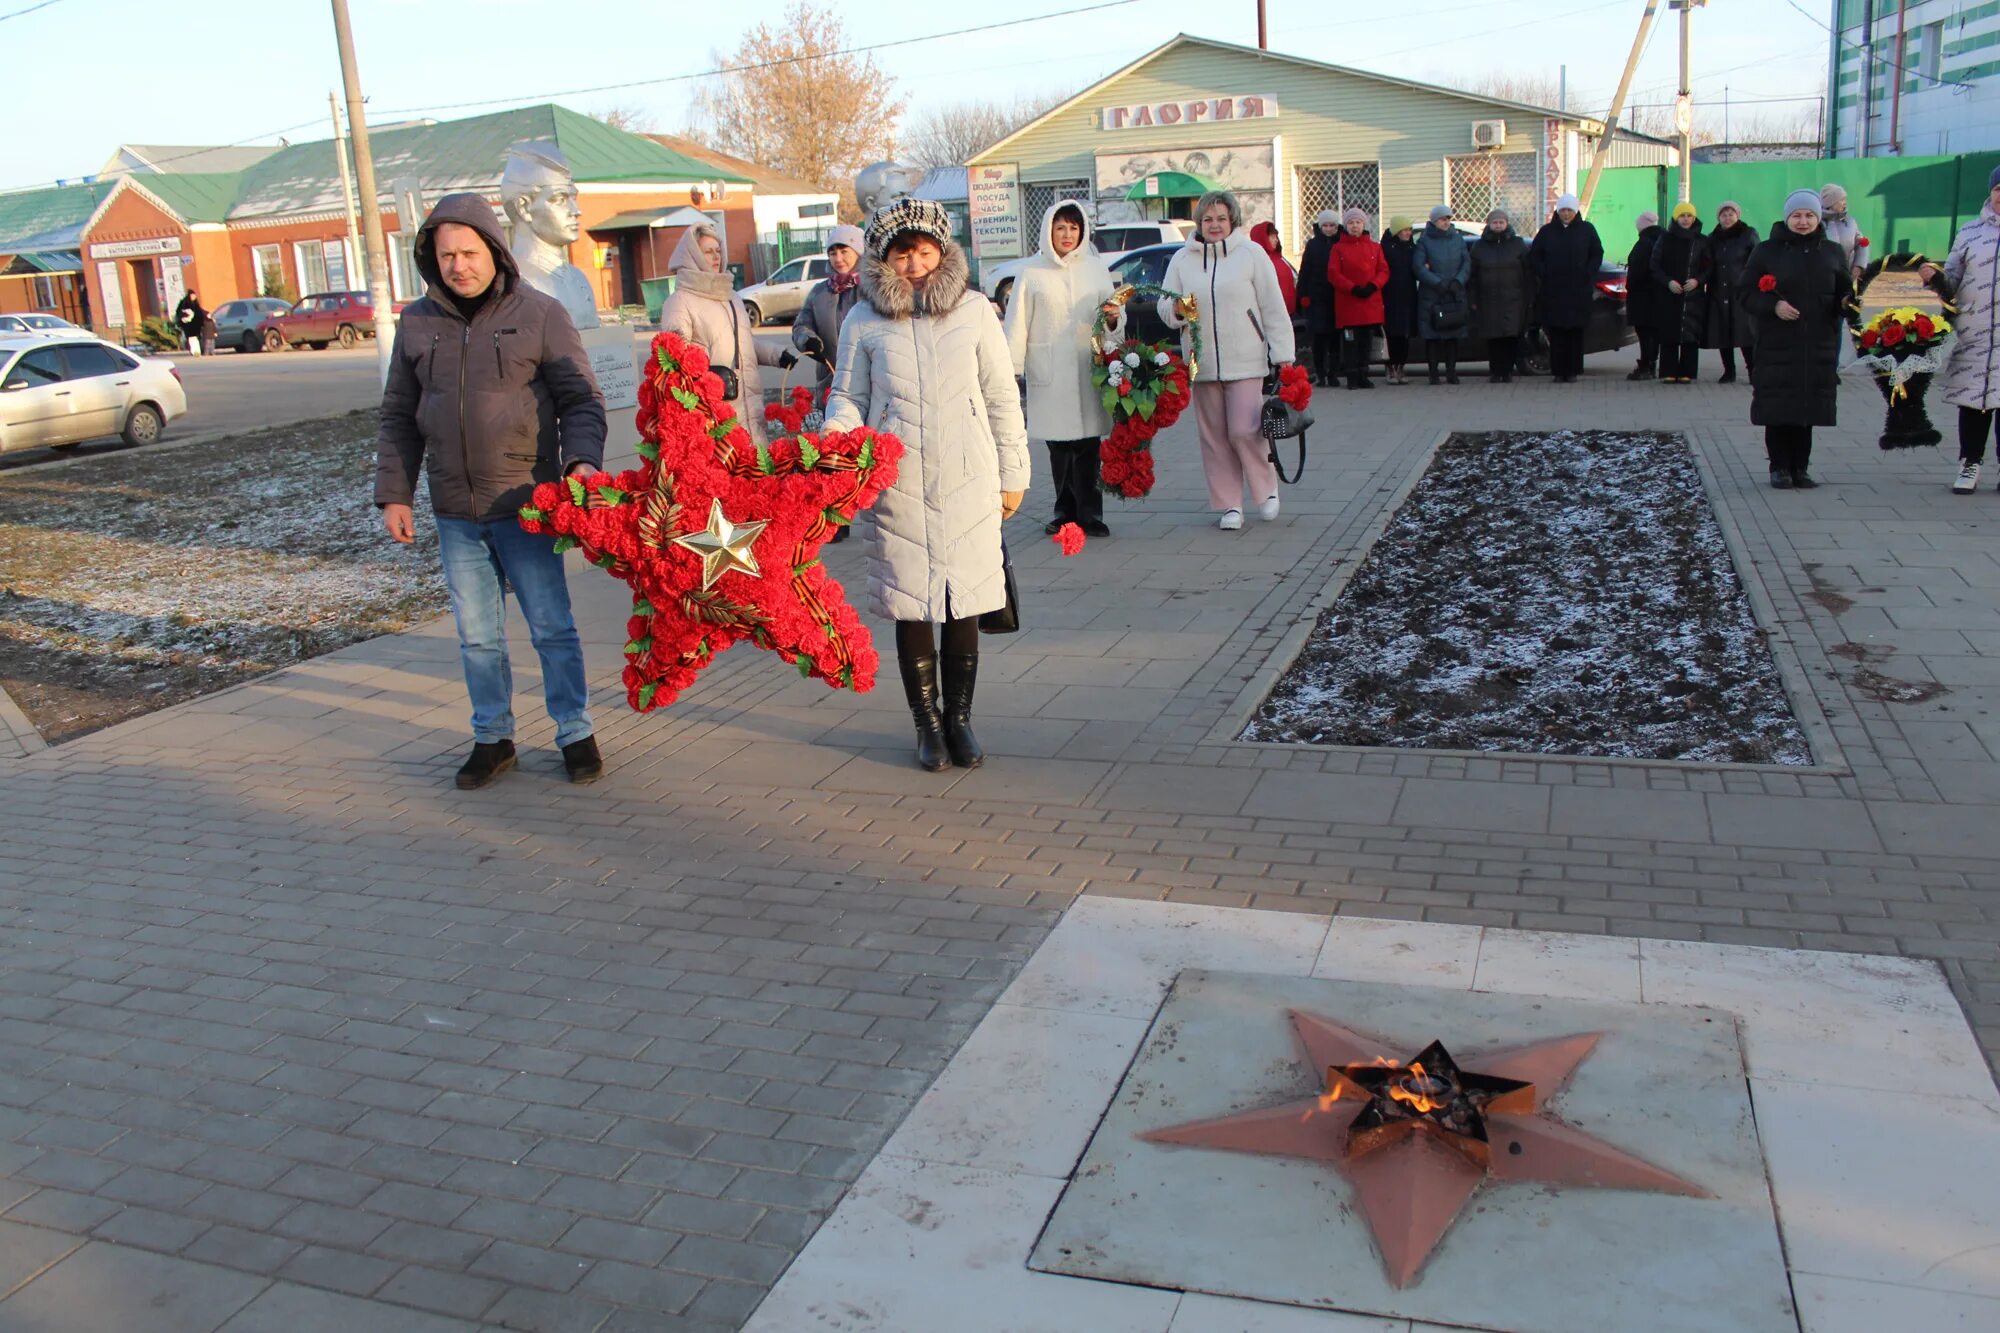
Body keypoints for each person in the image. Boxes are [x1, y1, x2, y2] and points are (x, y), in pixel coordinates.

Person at [373, 193, 608, 788]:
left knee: (551, 627)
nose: (459, 265)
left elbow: (582, 398)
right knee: (478, 638)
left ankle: (575, 731)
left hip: (527, 505)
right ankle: (492, 738)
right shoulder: (417, 323)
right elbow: (399, 413)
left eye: (468, 252)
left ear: (493, 251)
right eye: (446, 255)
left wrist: (582, 462)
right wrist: (395, 493)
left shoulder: (540, 313)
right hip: (456, 510)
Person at [823, 198, 1028, 772]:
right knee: (913, 605)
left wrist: (1013, 473)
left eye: (925, 251)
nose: (915, 263)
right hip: (899, 482)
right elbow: (848, 396)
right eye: (902, 253)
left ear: (942, 252)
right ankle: (927, 725)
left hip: (968, 477)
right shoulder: (863, 319)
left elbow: (1000, 395)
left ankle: (960, 720)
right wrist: (839, 443)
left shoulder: (975, 311)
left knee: (964, 604)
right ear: (885, 259)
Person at [1159, 190, 1296, 530]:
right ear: (1199, 223)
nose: (1214, 225)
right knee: (1214, 437)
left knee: (1244, 430)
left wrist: (1284, 356)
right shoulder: (1182, 260)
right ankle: (1229, 505)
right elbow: (1165, 306)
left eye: (1221, 218)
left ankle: (1266, 491)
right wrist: (1176, 309)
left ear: (1232, 220)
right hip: (1202, 364)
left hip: (1246, 359)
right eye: (1208, 219)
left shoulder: (1251, 254)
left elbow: (1272, 307)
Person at [1003, 201, 1119, 538]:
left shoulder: (1096, 269)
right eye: (1060, 228)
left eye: (1074, 227)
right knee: (1059, 447)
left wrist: (1113, 318)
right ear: (1048, 231)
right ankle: (1064, 511)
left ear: (1082, 231)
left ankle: (1090, 513)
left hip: (1088, 368)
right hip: (1049, 369)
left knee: (1088, 445)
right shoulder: (1031, 272)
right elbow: (1017, 323)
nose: (1067, 235)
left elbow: (1114, 315)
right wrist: (1011, 369)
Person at [1740, 189, 1854, 490]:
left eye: (1809, 216)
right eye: (1797, 216)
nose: (1803, 222)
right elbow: (1746, 293)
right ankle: (1779, 467)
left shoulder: (1831, 252)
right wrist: (1773, 306)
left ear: (1818, 218)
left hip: (1817, 343)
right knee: (1779, 408)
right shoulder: (1766, 251)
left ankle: (1800, 468)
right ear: (1787, 217)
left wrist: (1846, 303)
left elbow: (1845, 290)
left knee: (1808, 409)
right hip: (1778, 342)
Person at [660, 222, 786, 443]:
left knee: (758, 473)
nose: (715, 257)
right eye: (708, 252)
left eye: (718, 251)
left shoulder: (733, 298)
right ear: (692, 255)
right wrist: (708, 372)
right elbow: (674, 361)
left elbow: (744, 344)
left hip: (751, 414)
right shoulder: (680, 301)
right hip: (713, 417)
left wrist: (778, 355)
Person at [786, 223, 867, 541]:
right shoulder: (821, 292)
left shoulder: (871, 287)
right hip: (831, 381)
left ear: (858, 251)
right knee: (833, 452)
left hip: (869, 380)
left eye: (844, 250)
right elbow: (800, 323)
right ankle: (838, 518)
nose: (838, 257)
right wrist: (807, 340)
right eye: (832, 251)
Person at [1922, 164, 2000, 494]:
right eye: (1999, 190)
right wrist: (1933, 278)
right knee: (1973, 402)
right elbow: (1951, 278)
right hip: (1976, 332)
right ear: (1990, 192)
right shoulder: (1970, 232)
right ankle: (1970, 464)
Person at [1530, 192, 1603, 383]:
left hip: (1578, 291)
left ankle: (1573, 371)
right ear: (1558, 211)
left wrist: (1588, 273)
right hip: (1554, 291)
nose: (1566, 214)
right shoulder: (1547, 232)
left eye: (1570, 210)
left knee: (1575, 333)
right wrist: (1544, 272)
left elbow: (1597, 253)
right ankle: (1558, 370)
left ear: (1576, 211)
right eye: (1563, 210)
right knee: (1557, 332)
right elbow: (1535, 255)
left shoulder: (1587, 230)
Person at [1468, 208, 1533, 383]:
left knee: (1510, 336)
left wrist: (1528, 296)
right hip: (1487, 300)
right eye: (1495, 222)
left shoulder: (1517, 244)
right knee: (1493, 338)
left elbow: (1528, 272)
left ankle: (1507, 371)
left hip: (1514, 299)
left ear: (1507, 224)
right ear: (1489, 225)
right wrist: (1473, 299)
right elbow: (1472, 276)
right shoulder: (1479, 246)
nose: (1498, 225)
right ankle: (1496, 371)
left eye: (1501, 222)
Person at [1651, 202, 1712, 384]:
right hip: (1669, 293)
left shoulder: (1701, 240)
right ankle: (1668, 371)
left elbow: (1709, 267)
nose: (1686, 219)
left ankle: (1687, 371)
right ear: (1676, 218)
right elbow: (1655, 265)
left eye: (1689, 216)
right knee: (1669, 332)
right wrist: (1668, 282)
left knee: (1690, 333)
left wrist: (1697, 281)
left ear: (1694, 218)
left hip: (1693, 296)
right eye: (1682, 216)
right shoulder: (1665, 239)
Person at [1328, 207, 1388, 389]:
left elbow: (1384, 270)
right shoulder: (1338, 248)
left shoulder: (1375, 247)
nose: (1355, 226)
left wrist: (1373, 285)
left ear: (1364, 224)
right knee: (1350, 343)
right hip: (1349, 303)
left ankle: (1364, 374)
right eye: (1351, 223)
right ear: (1346, 226)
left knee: (1366, 342)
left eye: (1358, 222)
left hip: (1369, 303)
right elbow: (1333, 274)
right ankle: (1352, 375)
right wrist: (1352, 288)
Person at [1412, 204, 1470, 384]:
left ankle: (1451, 372)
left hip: (1453, 293)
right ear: (1434, 221)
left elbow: (1466, 263)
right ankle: (1433, 373)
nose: (1446, 222)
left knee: (1453, 335)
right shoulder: (1424, 241)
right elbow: (1418, 267)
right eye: (1442, 219)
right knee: (1432, 336)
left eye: (1448, 219)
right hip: (1432, 295)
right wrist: (1436, 282)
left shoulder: (1458, 239)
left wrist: (1457, 281)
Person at [1706, 201, 1758, 384]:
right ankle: (1729, 371)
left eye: (1731, 214)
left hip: (1741, 291)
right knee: (1723, 333)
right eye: (1724, 215)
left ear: (1738, 216)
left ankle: (1753, 370)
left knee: (1745, 333)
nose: (1727, 218)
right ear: (1719, 218)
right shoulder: (1712, 238)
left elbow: (1756, 260)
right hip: (1719, 290)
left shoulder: (1748, 234)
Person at [1299, 210, 1340, 385]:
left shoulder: (1341, 243)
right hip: (1317, 298)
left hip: (1337, 298)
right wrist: (1303, 296)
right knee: (1319, 339)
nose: (1329, 229)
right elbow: (1305, 271)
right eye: (1326, 226)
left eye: (1332, 226)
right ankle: (1321, 373)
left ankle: (1334, 374)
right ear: (1320, 226)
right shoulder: (1313, 245)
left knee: (1335, 340)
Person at [1625, 212, 1664, 380]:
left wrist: (1629, 285)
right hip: (1658, 294)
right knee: (1654, 332)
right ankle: (1652, 364)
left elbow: (1637, 271)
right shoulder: (1663, 240)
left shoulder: (1644, 243)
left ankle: (1646, 366)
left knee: (1643, 332)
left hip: (1641, 295)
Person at [1380, 216, 1418, 385]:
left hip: (1408, 296)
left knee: (1405, 334)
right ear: (1396, 231)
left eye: (1409, 230)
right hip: (1390, 296)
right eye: (1404, 230)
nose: (1408, 233)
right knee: (1391, 335)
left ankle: (1401, 367)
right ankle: (1390, 367)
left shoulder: (1412, 247)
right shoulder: (1386, 248)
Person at [1820, 183, 1871, 285]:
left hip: (1848, 277)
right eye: (1841, 200)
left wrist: (1859, 266)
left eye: (1845, 199)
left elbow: (1862, 244)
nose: (1845, 203)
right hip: (1823, 279)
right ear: (1830, 203)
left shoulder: (1850, 222)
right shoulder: (1817, 224)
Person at [1249, 220, 1298, 315]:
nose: (1276, 240)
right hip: (1271, 313)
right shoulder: (1258, 261)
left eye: (1276, 236)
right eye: (1272, 237)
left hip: (1289, 312)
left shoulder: (1280, 258)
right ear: (1263, 238)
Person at [173, 290, 207, 356]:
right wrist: (185, 316)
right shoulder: (184, 303)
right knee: (191, 338)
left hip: (196, 323)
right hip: (187, 324)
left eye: (194, 295)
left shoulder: (196, 303)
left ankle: (197, 351)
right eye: (192, 295)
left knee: (196, 338)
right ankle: (194, 351)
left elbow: (199, 312)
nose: (194, 297)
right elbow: (179, 312)